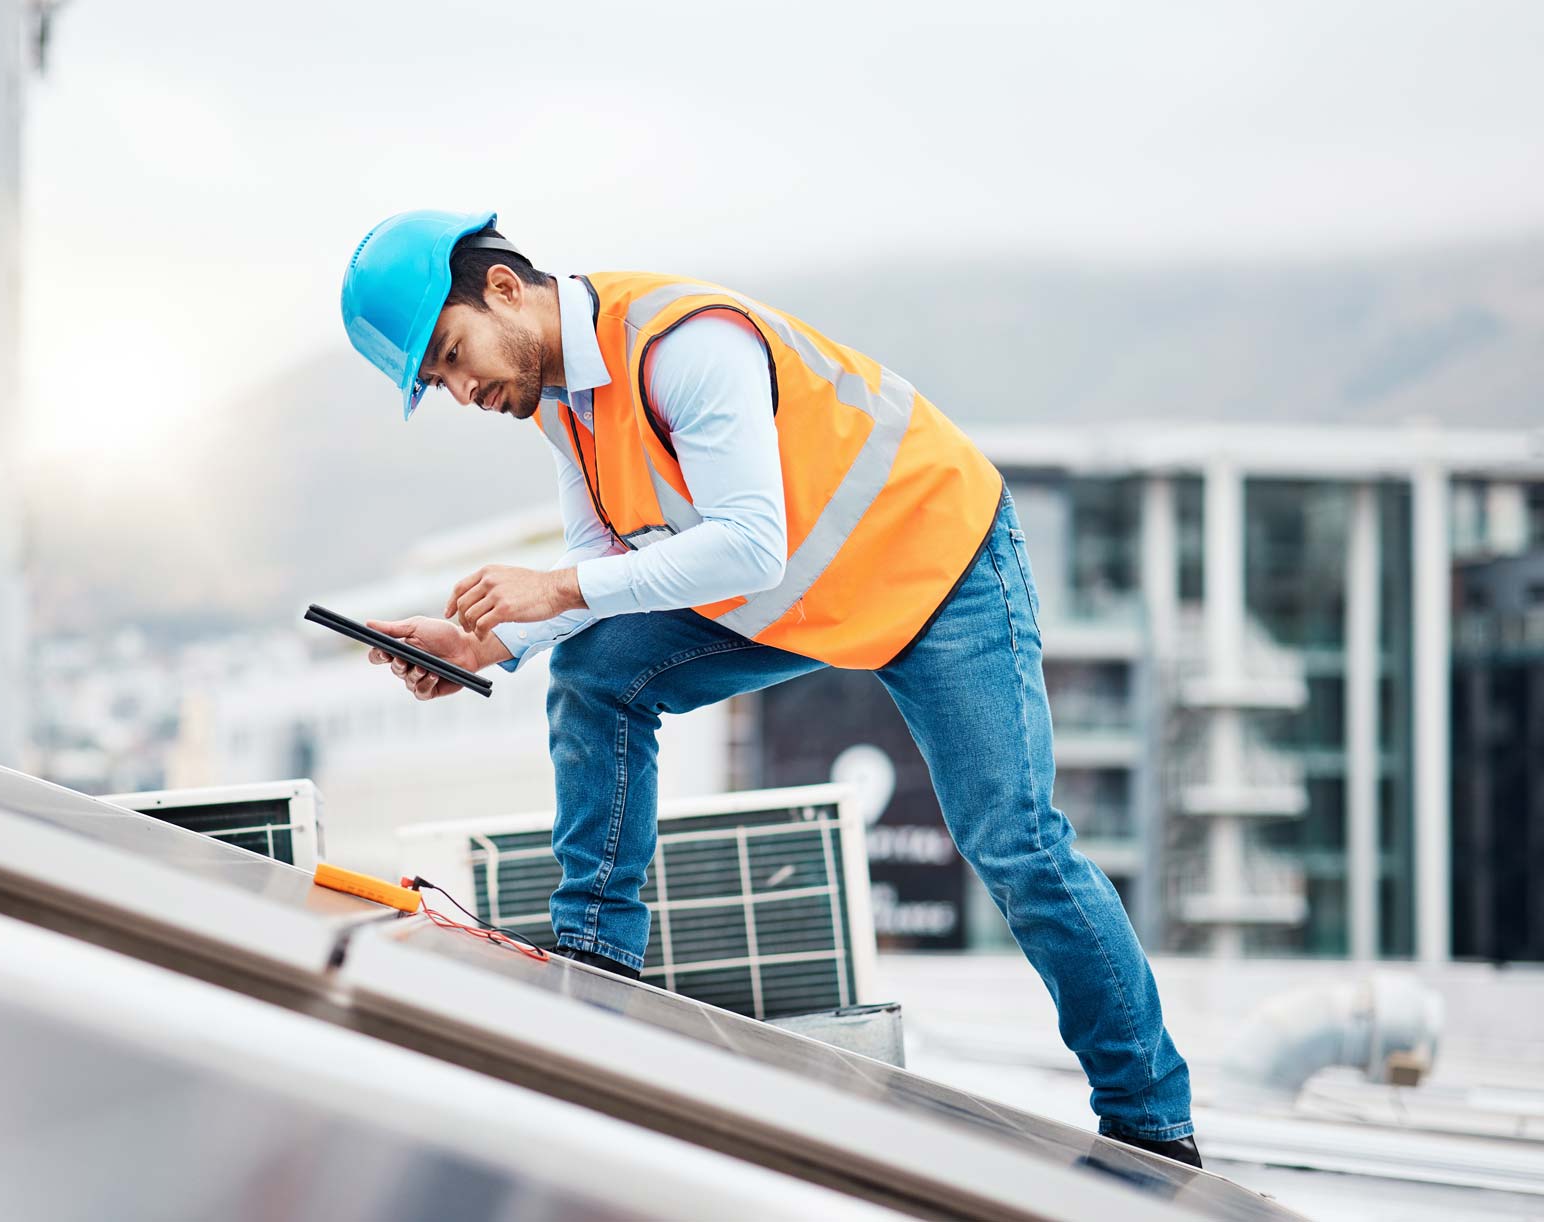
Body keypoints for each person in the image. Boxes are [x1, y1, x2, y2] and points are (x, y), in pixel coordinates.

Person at [339, 209, 1201, 1167]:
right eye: (439, 382)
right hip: (797, 596)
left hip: (938, 567)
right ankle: (595, 965)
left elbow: (748, 539)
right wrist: (480, 649)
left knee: (1018, 848)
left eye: (454, 356)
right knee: (594, 676)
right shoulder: (560, 404)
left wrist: (556, 588)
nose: (465, 392)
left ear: (504, 288)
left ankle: (1151, 1123)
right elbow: (599, 564)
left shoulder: (684, 345)